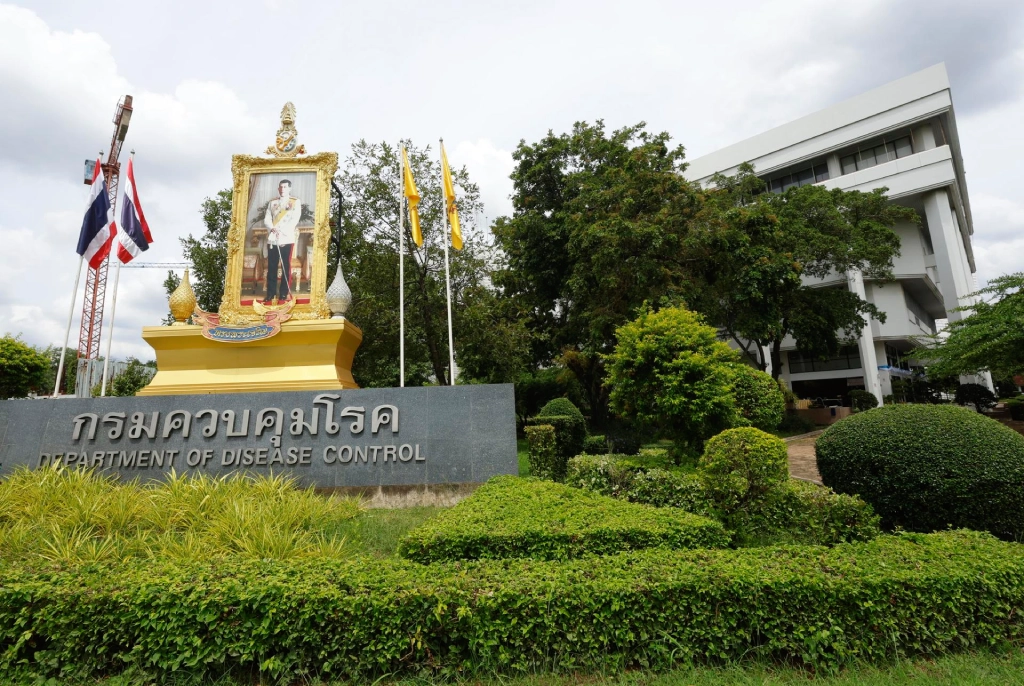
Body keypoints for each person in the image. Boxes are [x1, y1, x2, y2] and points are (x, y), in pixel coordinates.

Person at [263, 179, 302, 303]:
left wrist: (282, 230)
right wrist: (273, 228)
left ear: (289, 188)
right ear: (278, 189)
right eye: (280, 187)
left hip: (286, 237)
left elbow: (294, 219)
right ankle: (270, 294)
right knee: (272, 266)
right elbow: (267, 218)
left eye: (285, 187)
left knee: (285, 265)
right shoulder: (272, 203)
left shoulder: (295, 202)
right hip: (273, 238)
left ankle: (283, 294)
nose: (282, 189)